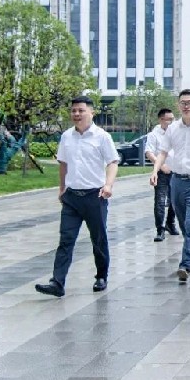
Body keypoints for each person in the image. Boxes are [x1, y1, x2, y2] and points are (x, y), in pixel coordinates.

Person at [35, 96, 118, 297]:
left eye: (81, 110)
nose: (77, 114)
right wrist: (62, 188)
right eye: (73, 111)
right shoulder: (66, 136)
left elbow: (112, 162)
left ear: (91, 112)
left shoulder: (102, 137)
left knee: (98, 239)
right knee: (66, 239)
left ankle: (101, 276)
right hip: (72, 197)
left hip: (95, 196)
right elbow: (63, 164)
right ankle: (57, 282)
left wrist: (108, 185)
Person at [149, 89, 190, 283]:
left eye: (189, 102)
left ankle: (185, 264)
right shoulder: (172, 129)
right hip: (176, 181)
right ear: (178, 105)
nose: (186, 106)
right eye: (183, 103)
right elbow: (163, 152)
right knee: (183, 224)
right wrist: (155, 170)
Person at [145, 108, 180, 242]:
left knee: (174, 201)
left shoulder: (176, 133)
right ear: (161, 120)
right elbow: (149, 152)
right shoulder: (154, 135)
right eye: (169, 119)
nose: (172, 122)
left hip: (176, 171)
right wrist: (160, 165)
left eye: (173, 119)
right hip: (161, 172)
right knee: (160, 201)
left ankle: (170, 223)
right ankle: (160, 229)